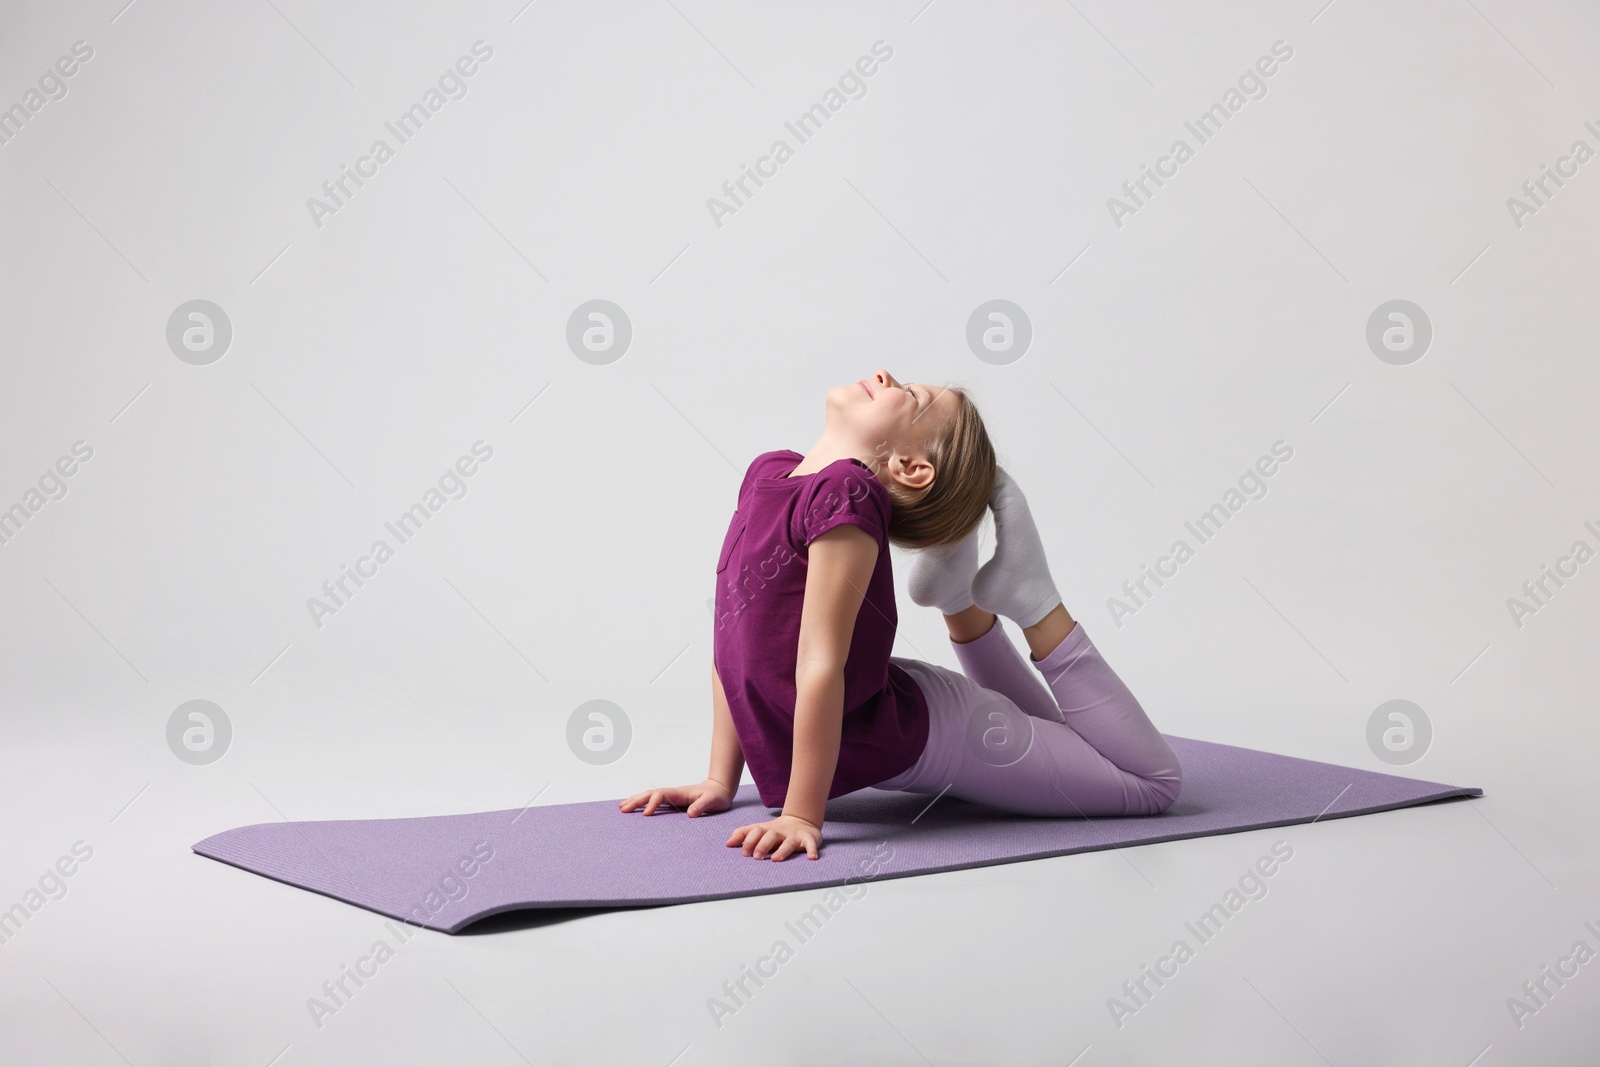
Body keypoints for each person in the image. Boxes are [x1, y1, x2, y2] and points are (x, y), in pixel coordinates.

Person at [619, 369, 1183, 860]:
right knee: (1069, 741)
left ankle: (1032, 598)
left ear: (911, 468)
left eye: (911, 397)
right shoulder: (767, 474)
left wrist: (802, 815)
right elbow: (732, 642)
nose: (887, 374)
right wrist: (720, 780)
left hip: (950, 734)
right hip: (896, 700)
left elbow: (821, 666)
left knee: (1149, 784)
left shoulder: (847, 493)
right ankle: (959, 597)